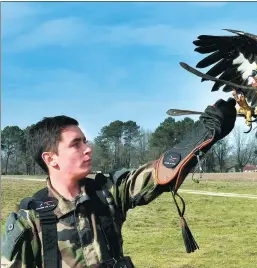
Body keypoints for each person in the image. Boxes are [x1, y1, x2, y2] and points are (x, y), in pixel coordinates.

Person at [1, 98, 237, 268]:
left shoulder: (107, 193)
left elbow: (158, 174)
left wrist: (205, 134)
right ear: (50, 158)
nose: (88, 149)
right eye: (76, 144)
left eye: (86, 141)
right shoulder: (30, 219)